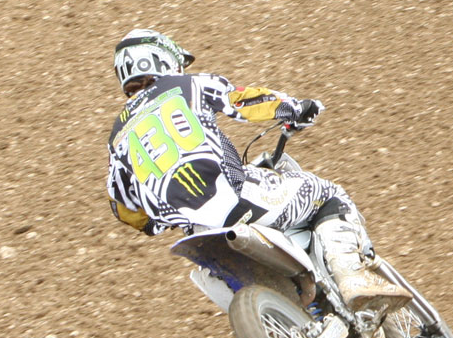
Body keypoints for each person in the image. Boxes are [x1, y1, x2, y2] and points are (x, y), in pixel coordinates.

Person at [104, 29, 410, 313]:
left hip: (197, 234)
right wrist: (294, 108)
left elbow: (123, 208)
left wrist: (156, 223)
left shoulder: (117, 136)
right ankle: (353, 276)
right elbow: (243, 101)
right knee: (328, 196)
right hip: (238, 199)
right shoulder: (188, 86)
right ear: (161, 59)